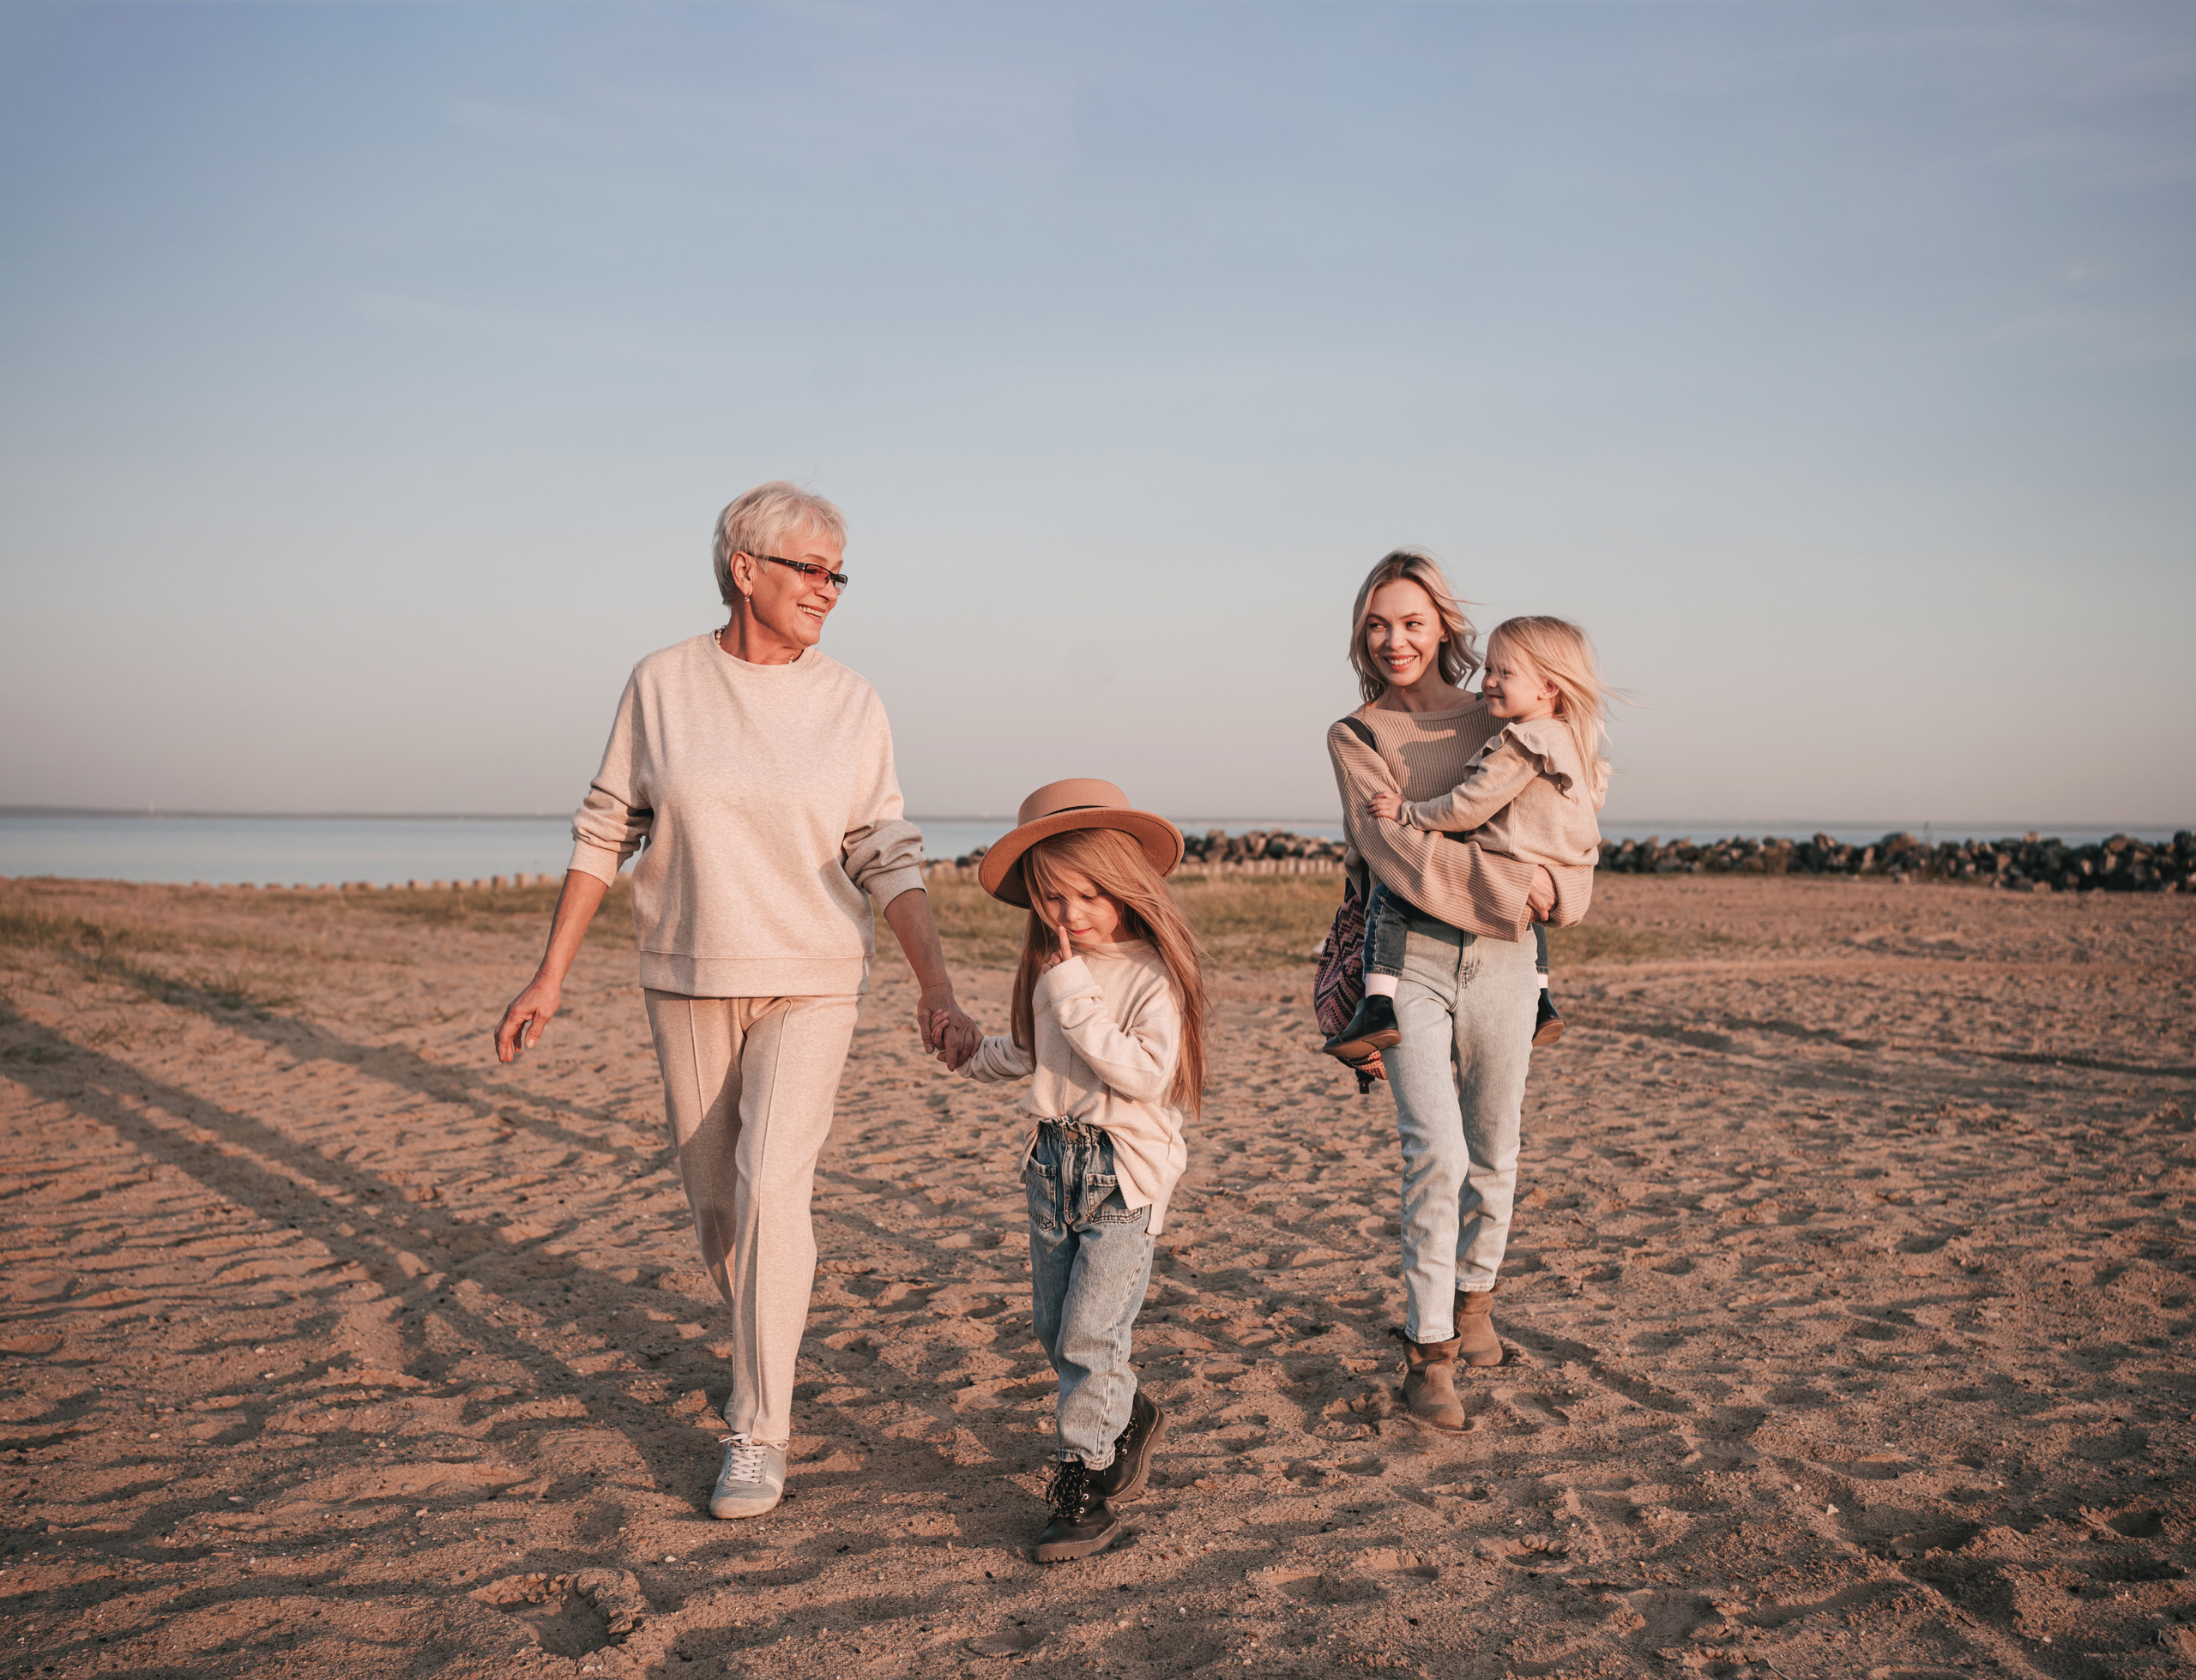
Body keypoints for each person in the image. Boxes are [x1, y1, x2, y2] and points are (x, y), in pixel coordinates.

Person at [492, 480, 979, 1520]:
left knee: (769, 1188)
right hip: (687, 975)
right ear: (743, 569)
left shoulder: (852, 701)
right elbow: (603, 828)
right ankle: (765, 1340)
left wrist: (935, 985)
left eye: (839, 572)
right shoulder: (662, 684)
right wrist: (550, 975)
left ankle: (758, 1429)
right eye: (811, 567)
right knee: (719, 1213)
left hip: (812, 977)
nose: (830, 590)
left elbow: (881, 847)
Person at [1322, 552, 1595, 1433]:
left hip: (1510, 965)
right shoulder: (1356, 735)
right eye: (1375, 624)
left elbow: (1567, 814)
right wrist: (1522, 888)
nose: (1392, 640)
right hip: (1411, 966)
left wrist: (1570, 887)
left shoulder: (1507, 710)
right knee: (1433, 1154)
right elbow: (1393, 854)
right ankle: (1429, 1351)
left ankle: (1475, 1302)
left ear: (1443, 624)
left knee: (1496, 1150)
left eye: (1409, 621)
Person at [955, 780, 1207, 1563]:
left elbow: (1140, 1073)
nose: (1069, 915)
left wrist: (1070, 993)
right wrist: (970, 1054)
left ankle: (1085, 1484)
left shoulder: (1146, 974)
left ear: (1124, 884)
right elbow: (1036, 1053)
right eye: (1052, 899)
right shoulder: (1054, 969)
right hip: (1051, 1164)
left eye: (1087, 895)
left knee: (1093, 1333)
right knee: (1053, 1327)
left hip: (1121, 1174)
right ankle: (1124, 1415)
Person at [1326, 614, 1609, 1060]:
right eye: (1489, 669)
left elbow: (1467, 806)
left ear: (1548, 687)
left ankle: (1377, 1006)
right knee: (1528, 917)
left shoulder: (1519, 740)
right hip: (1543, 873)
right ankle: (1542, 999)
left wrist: (1407, 811)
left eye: (1505, 672)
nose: (1491, 681)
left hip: (1498, 916)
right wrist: (1543, 876)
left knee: (1388, 900)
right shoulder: (1568, 739)